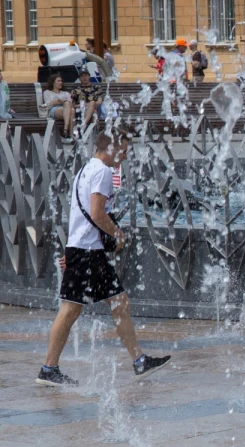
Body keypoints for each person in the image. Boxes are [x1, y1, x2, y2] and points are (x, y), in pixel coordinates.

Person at [37, 129, 171, 386]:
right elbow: (97, 214)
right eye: (123, 149)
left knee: (117, 302)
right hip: (87, 252)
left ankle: (139, 361)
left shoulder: (85, 170)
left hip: (84, 250)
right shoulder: (103, 172)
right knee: (71, 309)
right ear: (109, 147)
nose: (125, 154)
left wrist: (70, 249)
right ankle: (48, 368)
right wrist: (118, 235)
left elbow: (79, 213)